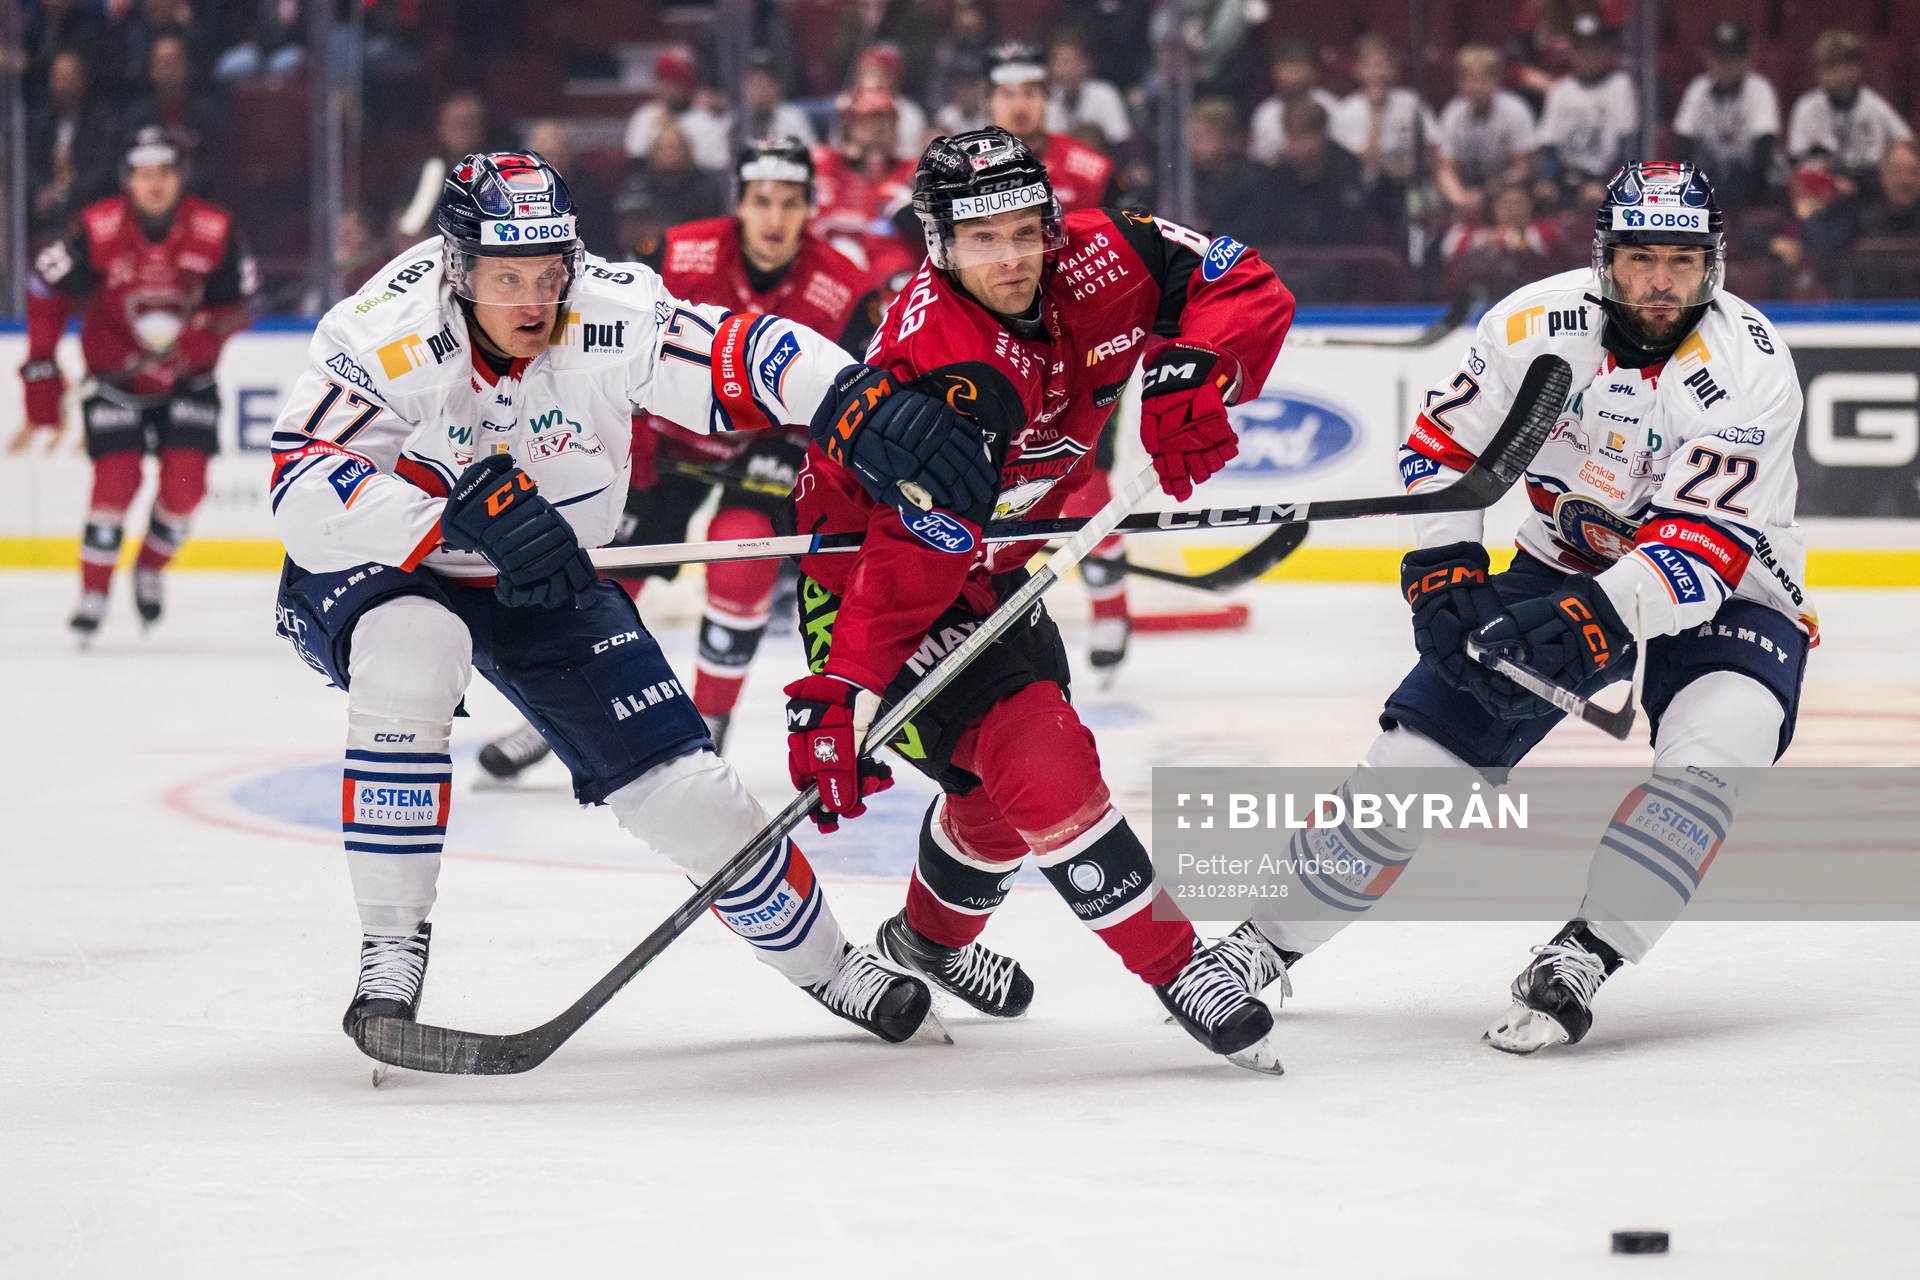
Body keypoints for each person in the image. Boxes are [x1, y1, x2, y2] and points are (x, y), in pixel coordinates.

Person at [268, 149, 1000, 1049]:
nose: (534, 302)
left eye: (549, 272)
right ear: (457, 270)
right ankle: (389, 953)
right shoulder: (383, 330)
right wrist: (439, 521)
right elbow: (300, 488)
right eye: (506, 278)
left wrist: (851, 399)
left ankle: (831, 965)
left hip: (545, 572)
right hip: (387, 561)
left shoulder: (607, 309)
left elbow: (736, 353)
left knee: (688, 792)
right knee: (414, 654)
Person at [1222, 162, 1814, 1054]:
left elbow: (1700, 551)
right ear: (1605, 258)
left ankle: (1588, 952)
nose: (1660, 281)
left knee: (1716, 758)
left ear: (1713, 264)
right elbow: (1442, 447)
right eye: (1641, 258)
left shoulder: (1752, 368)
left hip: (1733, 592)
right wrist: (1443, 566)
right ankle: (1263, 943)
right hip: (1558, 565)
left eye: (1682, 260)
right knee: (1416, 758)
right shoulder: (1531, 325)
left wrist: (1590, 622)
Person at [784, 127, 1297, 1067]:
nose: (1014, 257)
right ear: (940, 244)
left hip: (996, 566)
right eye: (984, 239)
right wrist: (847, 682)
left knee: (995, 804)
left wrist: (1202, 365)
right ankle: (1181, 967)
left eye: (1027, 229)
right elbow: (913, 555)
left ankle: (926, 944)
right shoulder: (940, 362)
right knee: (1039, 754)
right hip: (873, 585)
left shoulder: (1107, 252)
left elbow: (1245, 282)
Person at [479, 139, 880, 778]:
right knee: (606, 572)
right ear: (739, 202)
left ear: (812, 208)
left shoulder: (846, 287)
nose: (774, 218)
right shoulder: (676, 252)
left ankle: (710, 723)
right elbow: (603, 342)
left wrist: (806, 454)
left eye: (790, 202)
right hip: (666, 437)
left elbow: (854, 391)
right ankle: (556, 716)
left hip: (770, 444)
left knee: (742, 556)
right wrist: (628, 432)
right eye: (762, 200)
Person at [16, 126, 256, 640]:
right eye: (144, 174)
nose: (155, 184)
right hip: (116, 379)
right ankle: (94, 591)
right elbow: (44, 286)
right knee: (115, 482)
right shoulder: (96, 227)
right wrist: (41, 362)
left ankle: (149, 566)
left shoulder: (214, 229)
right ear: (127, 179)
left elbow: (238, 305)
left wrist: (201, 338)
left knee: (185, 490)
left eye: (164, 172)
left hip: (189, 380)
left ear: (180, 176)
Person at [984, 43, 1116, 213]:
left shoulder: (1092, 172)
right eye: (1007, 95)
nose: (1019, 107)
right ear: (988, 102)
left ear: (1047, 98)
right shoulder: (965, 173)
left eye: (1030, 94)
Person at [1672, 21, 1781, 209]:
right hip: (1714, 175)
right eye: (1719, 57)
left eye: (1733, 57)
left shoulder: (1760, 89)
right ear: (1708, 58)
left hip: (1756, 179)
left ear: (1747, 59)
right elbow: (1683, 146)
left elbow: (1763, 152)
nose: (1725, 64)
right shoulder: (1698, 89)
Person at [1786, 29, 1913, 187]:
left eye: (1840, 67)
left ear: (1856, 69)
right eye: (1826, 68)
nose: (1835, 75)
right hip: (1824, 188)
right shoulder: (1806, 107)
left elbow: (1907, 144)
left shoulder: (1875, 107)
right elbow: (1797, 160)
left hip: (1867, 187)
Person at [1436, 45, 1538, 222]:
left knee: (1515, 197)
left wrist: (1489, 192)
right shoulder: (1452, 114)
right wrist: (1459, 198)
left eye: (1483, 80)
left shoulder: (1515, 111)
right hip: (1468, 187)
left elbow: (1523, 167)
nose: (1477, 87)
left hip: (1506, 185)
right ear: (1459, 83)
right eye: (1470, 80)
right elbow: (1446, 168)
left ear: (1496, 81)